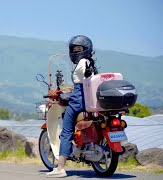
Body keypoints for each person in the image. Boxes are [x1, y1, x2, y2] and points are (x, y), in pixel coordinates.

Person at [47, 35, 97, 178]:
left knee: (66, 131)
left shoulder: (82, 63)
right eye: (74, 49)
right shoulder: (90, 62)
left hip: (78, 100)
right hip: (90, 100)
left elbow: (79, 86)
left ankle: (61, 168)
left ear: (85, 49)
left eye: (79, 49)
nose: (76, 51)